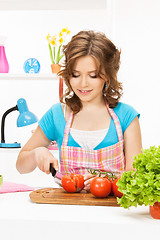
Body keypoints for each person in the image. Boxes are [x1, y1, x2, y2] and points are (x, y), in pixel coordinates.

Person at [16, 30, 142, 191]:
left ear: (108, 76)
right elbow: (20, 167)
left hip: (114, 213)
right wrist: (36, 153)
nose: (83, 84)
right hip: (69, 210)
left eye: (93, 76)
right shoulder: (56, 114)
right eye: (76, 75)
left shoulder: (127, 116)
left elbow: (135, 177)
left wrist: (105, 184)